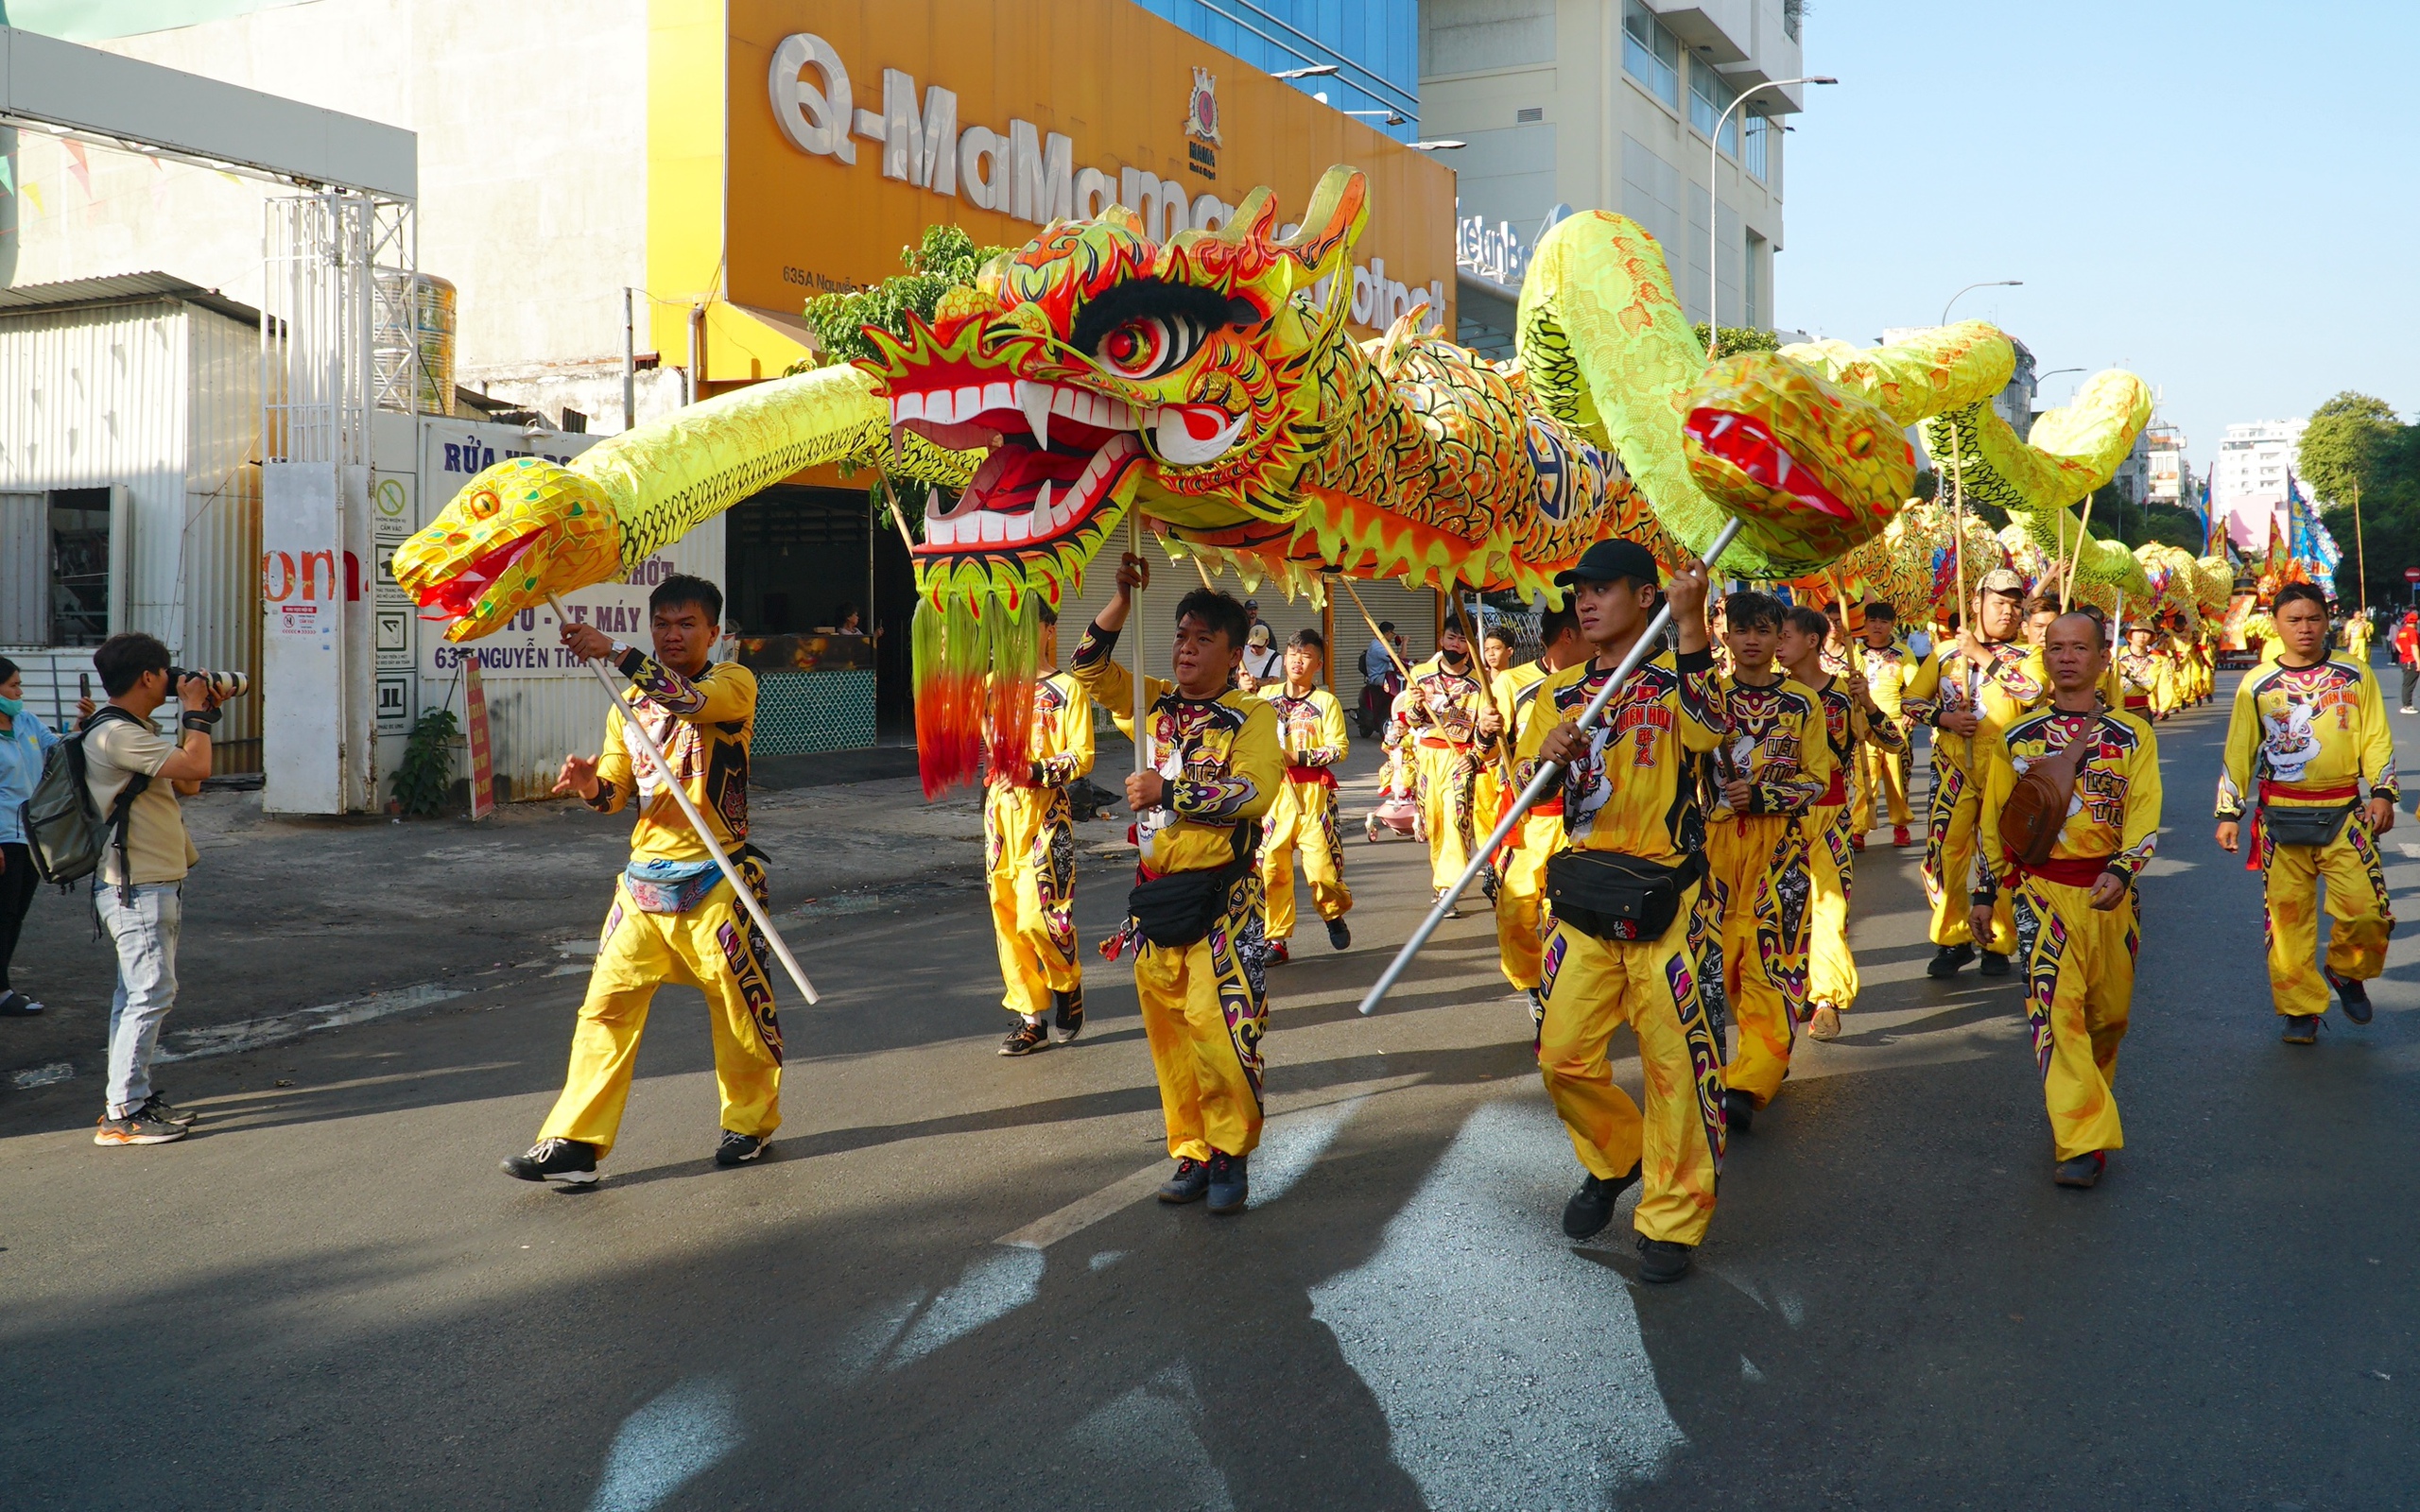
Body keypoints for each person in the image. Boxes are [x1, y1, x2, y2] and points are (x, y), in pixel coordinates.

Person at [503, 575, 781, 1185]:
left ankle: (749, 1122)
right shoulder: (624, 705)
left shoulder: (733, 684)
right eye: (663, 625)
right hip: (643, 885)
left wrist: (617, 654)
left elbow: (692, 703)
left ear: (714, 632)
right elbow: (616, 794)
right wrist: (587, 787)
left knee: (736, 1009)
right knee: (604, 1010)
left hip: (718, 879)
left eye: (687, 625)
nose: (674, 635)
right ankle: (575, 1141)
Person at [1524, 540, 1725, 1283]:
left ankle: (1671, 1220)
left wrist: (1694, 626)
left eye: (1604, 588)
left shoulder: (1678, 680)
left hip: (1667, 901)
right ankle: (1615, 1157)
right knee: (1560, 1056)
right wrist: (1546, 755)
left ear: (1645, 597)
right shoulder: (1560, 690)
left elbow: (1711, 733)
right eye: (1580, 588)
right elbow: (1532, 795)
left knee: (1676, 1068)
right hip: (1581, 899)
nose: (1585, 599)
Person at [1071, 555, 1282, 1216]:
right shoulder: (1151, 705)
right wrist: (1121, 601)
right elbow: (1086, 669)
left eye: (1203, 639)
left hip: (1224, 902)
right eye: (1181, 636)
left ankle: (1229, 1155)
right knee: (1170, 1037)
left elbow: (1254, 793)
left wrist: (1173, 790)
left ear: (1230, 651)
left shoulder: (1251, 717)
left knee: (1217, 1030)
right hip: (1156, 897)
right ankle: (1190, 1152)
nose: (1187, 649)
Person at [1972, 611, 2161, 1188]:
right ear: (2045, 656)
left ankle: (2087, 1102)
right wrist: (1985, 893)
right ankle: (2079, 1140)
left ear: (2103, 657)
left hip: (2109, 898)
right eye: (2056, 647)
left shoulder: (2133, 735)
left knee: (2107, 1017)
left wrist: (2125, 870)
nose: (2067, 657)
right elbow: (1994, 824)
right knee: (2057, 1016)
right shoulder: (2017, 738)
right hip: (2041, 896)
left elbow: (2145, 813)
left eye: (2080, 648)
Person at [2215, 582, 2397, 1044]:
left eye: (2313, 618)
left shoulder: (2354, 673)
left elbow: (2375, 735)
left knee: (2368, 913)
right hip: (2280, 819)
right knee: (2288, 921)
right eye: (2293, 619)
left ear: (2326, 621)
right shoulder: (2256, 682)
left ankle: (2345, 970)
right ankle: (2300, 1010)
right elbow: (2240, 750)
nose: (2304, 628)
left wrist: (2382, 792)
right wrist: (2229, 811)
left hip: (2345, 814)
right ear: (2275, 624)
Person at [1699, 592, 1834, 1131]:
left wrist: (1762, 797)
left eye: (1764, 630)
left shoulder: (1803, 703)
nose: (1752, 639)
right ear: (1723, 636)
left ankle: (1750, 1081)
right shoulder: (1705, 701)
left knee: (1771, 967)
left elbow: (1817, 779)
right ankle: (1710, 1074)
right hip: (1713, 851)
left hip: (1780, 852)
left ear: (1781, 639)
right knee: (1717, 965)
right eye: (1741, 629)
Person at [84, 634, 223, 1145]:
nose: (173, 680)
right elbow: (199, 767)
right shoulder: (117, 734)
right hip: (136, 885)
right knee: (150, 993)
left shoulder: (135, 729)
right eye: (166, 673)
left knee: (136, 994)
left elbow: (188, 783)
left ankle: (132, 1098)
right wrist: (196, 715)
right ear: (147, 677)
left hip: (151, 881)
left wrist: (200, 717)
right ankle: (123, 1114)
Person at [1903, 568, 2048, 978]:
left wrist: (1984, 657)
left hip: (2004, 768)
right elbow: (1911, 701)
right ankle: (1952, 938)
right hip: (1951, 765)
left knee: (1997, 853)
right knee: (1943, 853)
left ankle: (1997, 942)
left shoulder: (2028, 654)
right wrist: (1944, 718)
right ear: (1977, 603)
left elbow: (2033, 692)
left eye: (2014, 605)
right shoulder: (1947, 653)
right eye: (1998, 603)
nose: (2007, 612)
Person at [1778, 606, 1900, 1042]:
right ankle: (1785, 991)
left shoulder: (1843, 694)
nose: (1776, 643)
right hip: (1776, 818)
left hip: (1830, 816)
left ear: (1812, 640)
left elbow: (1894, 742)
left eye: (1785, 634)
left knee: (1829, 908)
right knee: (1780, 911)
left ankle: (1826, 998)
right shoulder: (1768, 691)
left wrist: (1867, 702)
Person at [989, 604, 1096, 1056]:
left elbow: (1081, 755)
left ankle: (1067, 984)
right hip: (1001, 813)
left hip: (1048, 811)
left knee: (1042, 915)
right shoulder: (994, 686)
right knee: (1007, 913)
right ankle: (1030, 1017)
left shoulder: (1068, 689)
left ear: (1049, 630)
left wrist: (1035, 769)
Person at [1493, 600, 1587, 1025]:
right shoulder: (1513, 682)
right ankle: (1532, 983)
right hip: (1530, 816)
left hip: (1583, 816)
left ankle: (1561, 988)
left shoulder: (1603, 682)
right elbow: (1492, 752)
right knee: (1516, 909)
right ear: (1568, 634)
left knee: (1563, 911)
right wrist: (1484, 731)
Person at [1257, 628, 1353, 962]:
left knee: (1322, 871)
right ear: (1284, 657)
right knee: (1272, 868)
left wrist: (1298, 757)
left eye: (1307, 655)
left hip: (1314, 796)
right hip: (1275, 795)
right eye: (1293, 653)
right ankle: (1277, 940)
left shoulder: (1326, 702)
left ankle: (1332, 913)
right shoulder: (1265, 699)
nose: (1298, 660)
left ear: (1319, 663)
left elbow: (1339, 749)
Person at [1399, 620, 1502, 912]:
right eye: (1451, 637)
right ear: (1441, 639)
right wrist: (1418, 705)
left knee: (1456, 821)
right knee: (1434, 822)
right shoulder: (1420, 674)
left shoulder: (1480, 683)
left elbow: (1485, 726)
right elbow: (1413, 721)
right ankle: (1441, 879)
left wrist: (1477, 754)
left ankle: (1449, 886)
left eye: (1462, 640)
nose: (1455, 644)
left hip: (1460, 757)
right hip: (1427, 756)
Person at [0, 657, 64, 1019]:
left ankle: (3, 984)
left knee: (16, 913)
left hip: (30, 835)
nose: (19, 692)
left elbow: (58, 748)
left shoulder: (26, 722)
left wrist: (87, 724)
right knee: (3, 913)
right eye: (12, 686)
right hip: (3, 835)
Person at [1851, 601, 1927, 849]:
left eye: (1883, 622)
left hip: (1894, 724)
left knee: (1897, 779)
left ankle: (1900, 825)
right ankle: (1859, 829)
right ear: (1864, 623)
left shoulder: (1902, 653)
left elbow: (1916, 687)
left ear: (1892, 625)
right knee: (1865, 778)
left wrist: (1912, 711)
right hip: (1863, 726)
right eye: (1872, 621)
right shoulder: (1855, 653)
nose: (1877, 626)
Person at [1239, 622, 1283, 686]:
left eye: (1259, 646)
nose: (1255, 649)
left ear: (1267, 641)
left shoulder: (1275, 657)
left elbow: (1273, 680)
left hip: (1262, 694)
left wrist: (1253, 681)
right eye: (1253, 646)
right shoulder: (1241, 652)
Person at [2395, 611, 2419, 713]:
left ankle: (2407, 704)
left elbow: (2397, 644)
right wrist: (2418, 662)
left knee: (2407, 683)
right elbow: (2414, 647)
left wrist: (2404, 652)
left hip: (2405, 660)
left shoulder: (2402, 631)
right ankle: (2407, 705)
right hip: (2412, 661)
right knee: (2409, 684)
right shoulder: (2412, 632)